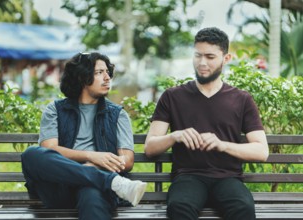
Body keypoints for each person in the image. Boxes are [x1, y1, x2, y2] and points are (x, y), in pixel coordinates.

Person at [144, 27, 269, 220]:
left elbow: (261, 152)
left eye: (210, 57)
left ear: (225, 59)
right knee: (179, 207)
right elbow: (150, 147)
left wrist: (222, 145)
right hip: (188, 177)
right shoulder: (172, 96)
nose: (202, 63)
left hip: (228, 178)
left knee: (243, 208)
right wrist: (174, 135)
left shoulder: (241, 99)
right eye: (198, 55)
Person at [21, 52, 147, 220]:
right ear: (81, 77)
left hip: (95, 189)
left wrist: (94, 167)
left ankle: (103, 181)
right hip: (60, 187)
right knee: (31, 154)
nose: (107, 77)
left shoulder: (117, 115)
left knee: (91, 192)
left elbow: (127, 160)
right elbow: (50, 149)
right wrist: (91, 156)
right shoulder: (55, 110)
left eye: (107, 72)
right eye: (99, 72)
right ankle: (110, 181)